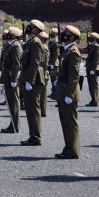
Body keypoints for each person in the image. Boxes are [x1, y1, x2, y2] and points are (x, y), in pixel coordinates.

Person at [55, 25, 81, 159]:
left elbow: (74, 76)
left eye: (66, 32)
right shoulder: (66, 50)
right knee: (65, 122)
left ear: (72, 37)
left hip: (68, 93)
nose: (63, 34)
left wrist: (69, 95)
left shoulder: (73, 52)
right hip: (63, 90)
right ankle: (68, 148)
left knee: (71, 123)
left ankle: (73, 151)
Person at [18, 20, 46, 146]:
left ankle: (35, 137)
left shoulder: (35, 43)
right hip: (28, 77)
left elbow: (35, 63)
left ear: (36, 29)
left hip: (33, 80)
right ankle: (32, 135)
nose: (29, 27)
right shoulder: (30, 41)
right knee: (29, 109)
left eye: (31, 26)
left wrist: (30, 80)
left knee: (33, 109)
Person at [0, 27, 22, 133]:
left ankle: (15, 125)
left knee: (14, 102)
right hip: (8, 76)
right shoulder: (11, 45)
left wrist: (14, 79)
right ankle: (12, 124)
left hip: (11, 78)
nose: (7, 35)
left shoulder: (16, 46)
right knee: (10, 102)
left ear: (13, 35)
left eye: (9, 34)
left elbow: (17, 65)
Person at [85, 32, 99, 106]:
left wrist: (93, 69)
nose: (89, 39)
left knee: (93, 85)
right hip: (89, 67)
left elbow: (96, 59)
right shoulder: (92, 46)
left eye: (91, 37)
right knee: (91, 85)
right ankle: (94, 99)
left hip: (92, 69)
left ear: (94, 39)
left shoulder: (96, 46)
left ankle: (95, 100)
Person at [38, 31, 50, 117]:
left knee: (43, 93)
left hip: (43, 74)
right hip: (41, 73)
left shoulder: (44, 49)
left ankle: (43, 111)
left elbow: (45, 64)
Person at [48, 28, 60, 99]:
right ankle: (54, 92)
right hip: (52, 62)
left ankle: (56, 93)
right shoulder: (52, 41)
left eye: (53, 33)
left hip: (54, 63)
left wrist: (52, 63)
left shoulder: (56, 42)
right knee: (52, 79)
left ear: (55, 34)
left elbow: (55, 54)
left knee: (54, 79)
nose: (51, 34)